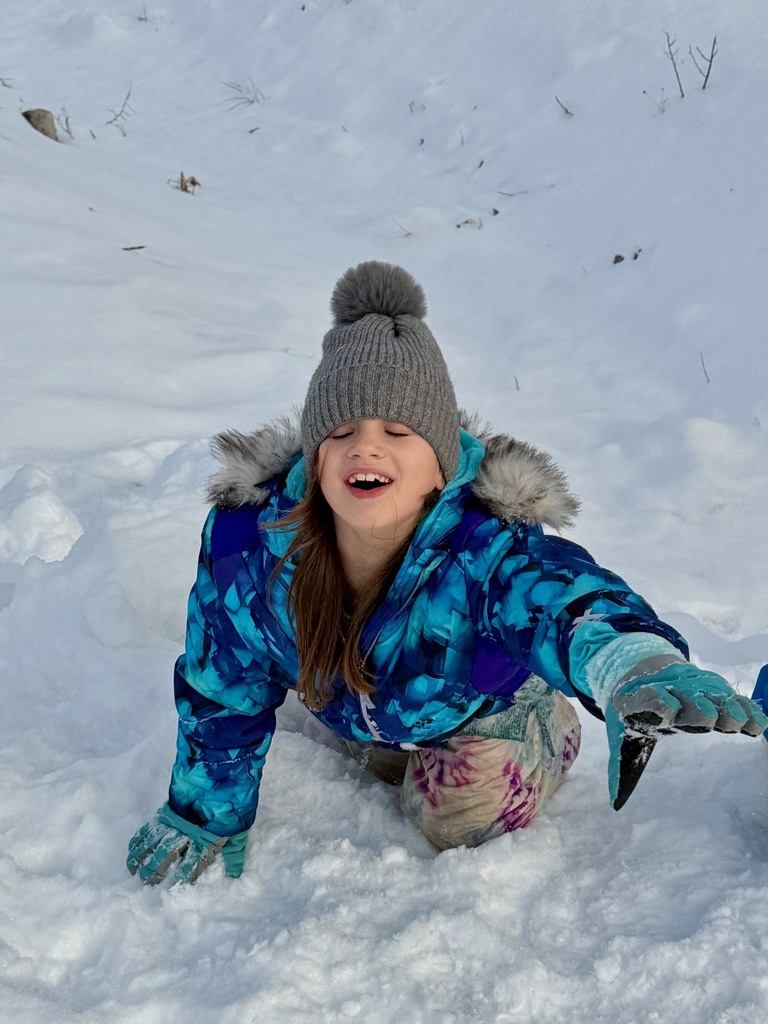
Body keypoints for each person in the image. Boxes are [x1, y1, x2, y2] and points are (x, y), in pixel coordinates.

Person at [127, 261, 768, 885]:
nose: (366, 447)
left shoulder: (486, 552)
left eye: (398, 431)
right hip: (366, 701)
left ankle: (543, 723)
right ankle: (385, 736)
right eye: (342, 430)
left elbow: (563, 599)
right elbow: (223, 686)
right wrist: (205, 814)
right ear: (315, 462)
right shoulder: (252, 547)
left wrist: (628, 662)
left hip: (472, 710)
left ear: (442, 465)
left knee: (457, 819)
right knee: (370, 748)